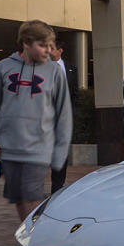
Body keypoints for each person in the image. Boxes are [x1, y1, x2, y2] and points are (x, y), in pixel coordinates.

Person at [0, 20, 72, 246]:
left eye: (51, 45)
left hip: (39, 146)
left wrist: (61, 149)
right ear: (26, 44)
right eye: (43, 45)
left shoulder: (54, 71)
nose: (48, 50)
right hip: (8, 147)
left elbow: (63, 111)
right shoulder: (2, 68)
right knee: (20, 198)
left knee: (31, 196)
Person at [49, 39, 79, 194]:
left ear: (60, 50)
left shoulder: (71, 69)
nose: (48, 51)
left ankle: (57, 188)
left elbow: (74, 94)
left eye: (52, 48)